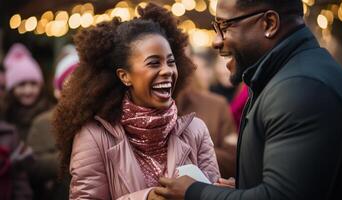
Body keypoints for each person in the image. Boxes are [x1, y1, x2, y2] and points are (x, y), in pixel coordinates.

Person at [154, 0, 342, 199]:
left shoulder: (300, 87)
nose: (216, 41)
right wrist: (247, 187)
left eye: (224, 27)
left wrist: (193, 192)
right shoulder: (289, 77)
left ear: (269, 23)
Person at [53, 3, 220, 200]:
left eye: (171, 61)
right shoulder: (94, 137)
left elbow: (211, 194)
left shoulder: (196, 131)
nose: (167, 70)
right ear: (125, 76)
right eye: (154, 63)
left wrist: (225, 193)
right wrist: (147, 198)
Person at [26, 44, 78, 200]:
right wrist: (73, 158)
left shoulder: (97, 119)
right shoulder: (42, 122)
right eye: (70, 82)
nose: (75, 89)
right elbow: (31, 166)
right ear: (58, 90)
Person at [176, 47, 237, 178]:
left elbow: (234, 160)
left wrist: (194, 150)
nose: (168, 68)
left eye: (176, 58)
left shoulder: (216, 105)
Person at [3, 43, 51, 141]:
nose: (28, 91)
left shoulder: (49, 115)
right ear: (11, 89)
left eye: (33, 84)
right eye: (21, 85)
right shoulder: (4, 115)